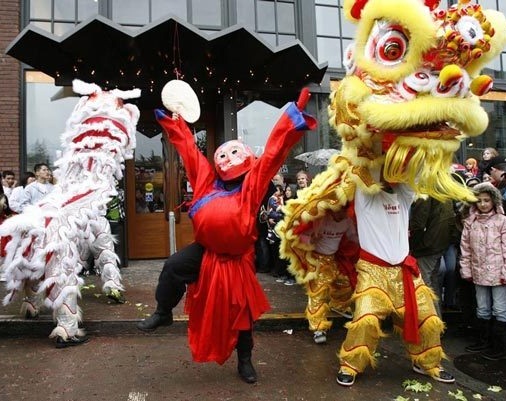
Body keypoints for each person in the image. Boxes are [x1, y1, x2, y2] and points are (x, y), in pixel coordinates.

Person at [137, 88, 316, 383]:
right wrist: (175, 124)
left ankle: (245, 361)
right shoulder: (207, 183)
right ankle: (163, 310)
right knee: (173, 266)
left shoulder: (251, 188)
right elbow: (190, 153)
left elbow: (273, 153)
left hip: (237, 259)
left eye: (234, 154)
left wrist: (292, 115)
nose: (228, 159)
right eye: (224, 155)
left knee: (242, 314)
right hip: (206, 252)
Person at [336, 167, 454, 386]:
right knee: (365, 319)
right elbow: (365, 168)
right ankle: (350, 365)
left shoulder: (403, 195)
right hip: (372, 272)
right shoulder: (367, 196)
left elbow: (416, 173)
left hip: (404, 272)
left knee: (427, 318)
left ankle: (428, 363)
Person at [295, 206, 358, 344]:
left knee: (346, 283)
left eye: (344, 210)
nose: (341, 213)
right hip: (316, 260)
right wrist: (311, 240)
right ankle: (318, 328)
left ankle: (338, 305)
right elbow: (301, 235)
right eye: (339, 210)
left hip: (333, 259)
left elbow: (353, 237)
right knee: (318, 293)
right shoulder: (321, 220)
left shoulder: (347, 221)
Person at [460, 182, 506, 361]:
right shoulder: (470, 223)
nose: (483, 204)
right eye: (479, 201)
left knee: (500, 309)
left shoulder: (502, 221)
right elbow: (466, 249)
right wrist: (466, 270)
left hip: (498, 273)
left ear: (494, 201)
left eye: (487, 200)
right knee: (483, 308)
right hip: (479, 272)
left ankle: (500, 346)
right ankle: (484, 341)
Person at [409, 196, 455, 318]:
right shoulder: (441, 191)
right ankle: (436, 320)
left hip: (427, 246)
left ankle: (431, 322)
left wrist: (412, 246)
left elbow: (418, 224)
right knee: (433, 282)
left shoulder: (424, 193)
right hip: (437, 244)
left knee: (424, 284)